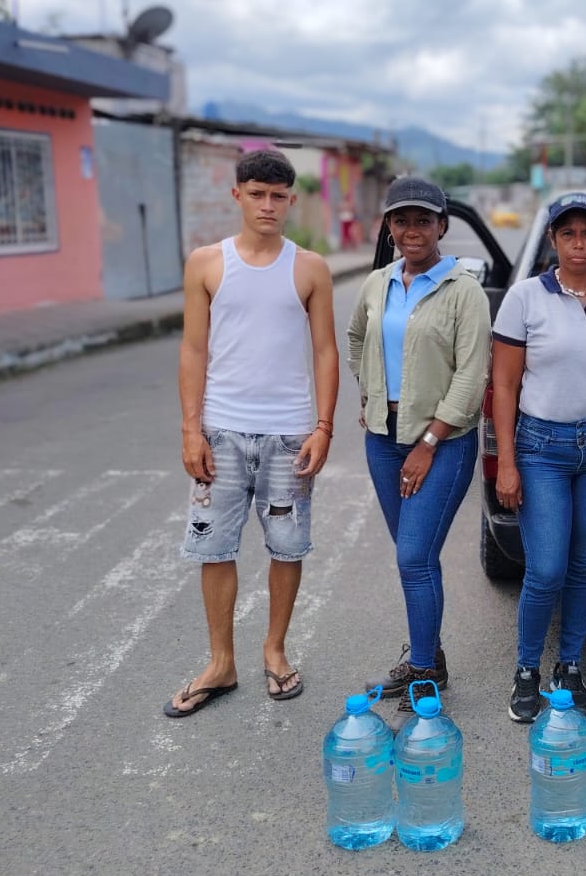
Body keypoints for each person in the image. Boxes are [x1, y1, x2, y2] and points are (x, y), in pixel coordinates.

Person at [166, 148, 339, 717]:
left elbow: (324, 350)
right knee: (214, 547)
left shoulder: (309, 268)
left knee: (287, 546)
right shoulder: (206, 263)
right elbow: (193, 349)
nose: (268, 205)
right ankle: (221, 662)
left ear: (291, 200)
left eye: (278, 196)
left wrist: (323, 427)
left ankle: (274, 650)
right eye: (257, 194)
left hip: (289, 435)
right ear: (237, 195)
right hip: (221, 433)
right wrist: (191, 430)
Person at [490, 193, 586, 723]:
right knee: (546, 568)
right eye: (567, 234)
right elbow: (505, 385)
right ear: (553, 240)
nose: (578, 244)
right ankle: (526, 670)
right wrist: (507, 462)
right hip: (542, 449)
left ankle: (570, 665)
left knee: (583, 564)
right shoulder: (525, 298)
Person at [347, 177, 491, 714]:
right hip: (383, 439)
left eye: (423, 220)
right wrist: (369, 390)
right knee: (417, 558)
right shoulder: (377, 283)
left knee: (413, 557)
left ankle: (425, 672)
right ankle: (430, 656)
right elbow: (357, 337)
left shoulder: (463, 291)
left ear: (442, 226)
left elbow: (472, 374)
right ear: (389, 226)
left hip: (443, 442)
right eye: (402, 220)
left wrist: (429, 441)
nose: (412, 230)